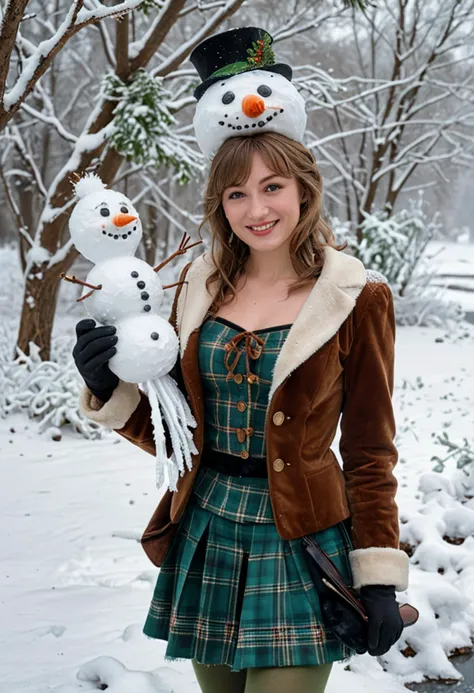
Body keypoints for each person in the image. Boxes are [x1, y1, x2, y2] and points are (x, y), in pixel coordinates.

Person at [74, 27, 409, 693]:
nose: (256, 209)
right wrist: (106, 386)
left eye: (272, 186)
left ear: (303, 187)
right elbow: (180, 433)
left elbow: (372, 449)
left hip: (302, 543)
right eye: (236, 194)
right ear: (220, 204)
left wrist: (377, 576)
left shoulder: (355, 297)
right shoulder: (200, 288)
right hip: (207, 530)